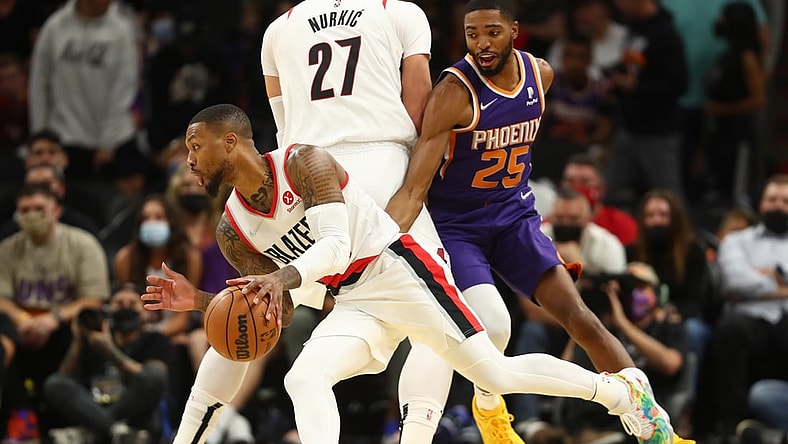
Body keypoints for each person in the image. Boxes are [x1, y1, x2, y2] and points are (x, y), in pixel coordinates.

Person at [142, 104, 675, 444]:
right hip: (353, 301)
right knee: (301, 377)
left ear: (230, 141)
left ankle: (622, 396)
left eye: (194, 145)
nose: (188, 160)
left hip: (402, 271)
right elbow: (275, 306)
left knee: (494, 374)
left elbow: (335, 244)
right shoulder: (234, 231)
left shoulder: (304, 162)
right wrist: (201, 301)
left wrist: (281, 279)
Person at [385, 1, 688, 443]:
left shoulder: (541, 75)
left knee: (580, 316)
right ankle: (490, 409)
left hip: (514, 217)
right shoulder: (453, 91)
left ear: (514, 31)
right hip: (458, 227)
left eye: (492, 32)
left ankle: (652, 423)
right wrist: (375, 245)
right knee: (494, 326)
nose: (481, 44)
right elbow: (415, 188)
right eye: (472, 34)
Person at [0, 184, 109, 438]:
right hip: (21, 328)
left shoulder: (82, 244)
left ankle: (75, 418)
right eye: (24, 210)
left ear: (57, 210)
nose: (31, 215)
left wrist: (54, 318)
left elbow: (93, 299)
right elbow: (2, 299)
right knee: (3, 334)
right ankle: (22, 418)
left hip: (64, 328)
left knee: (86, 325)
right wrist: (22, 319)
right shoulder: (7, 248)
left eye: (39, 208)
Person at [43, 282, 171, 443]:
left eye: (132, 303)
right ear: (107, 309)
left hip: (133, 411)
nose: (125, 308)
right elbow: (66, 379)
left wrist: (109, 351)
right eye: (118, 303)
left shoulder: (154, 339)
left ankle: (93, 432)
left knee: (155, 376)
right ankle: (115, 430)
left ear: (145, 312)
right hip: (92, 405)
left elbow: (155, 381)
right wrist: (78, 341)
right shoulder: (91, 337)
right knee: (54, 383)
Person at [712, 174, 788, 440]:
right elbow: (735, 281)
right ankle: (731, 425)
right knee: (731, 328)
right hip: (750, 321)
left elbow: (746, 285)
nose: (778, 206)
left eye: (785, 201)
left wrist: (760, 277)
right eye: (772, 199)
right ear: (760, 204)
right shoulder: (737, 240)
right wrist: (781, 286)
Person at [560, 153, 639, 246]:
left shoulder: (623, 225)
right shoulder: (544, 227)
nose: (576, 187)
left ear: (601, 188)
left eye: (585, 181)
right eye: (570, 181)